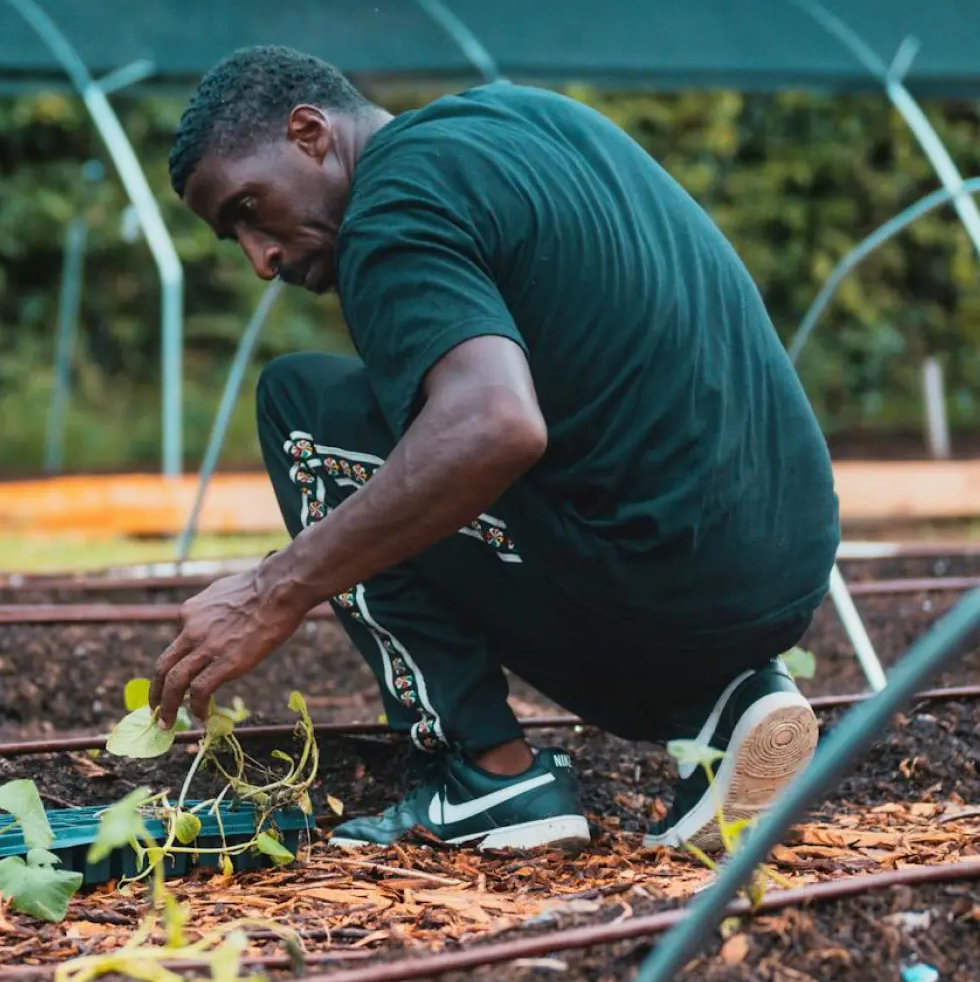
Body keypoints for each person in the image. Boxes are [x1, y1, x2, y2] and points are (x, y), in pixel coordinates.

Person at [151, 47, 838, 854]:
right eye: (233, 236)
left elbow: (494, 426)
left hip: (665, 593)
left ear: (310, 134)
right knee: (431, 440)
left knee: (303, 411)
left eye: (249, 209)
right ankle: (731, 702)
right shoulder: (527, 119)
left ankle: (486, 775)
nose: (260, 258)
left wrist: (274, 588)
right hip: (783, 573)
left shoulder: (388, 213)